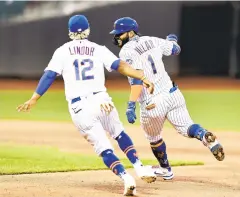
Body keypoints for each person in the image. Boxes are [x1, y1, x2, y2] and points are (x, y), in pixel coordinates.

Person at [17, 15, 157, 196]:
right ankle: (139, 167)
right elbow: (121, 66)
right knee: (119, 133)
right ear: (88, 30)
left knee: (104, 147)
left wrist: (34, 98)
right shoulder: (98, 49)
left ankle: (126, 178)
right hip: (102, 100)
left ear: (70, 32)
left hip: (80, 107)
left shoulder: (62, 51)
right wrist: (143, 77)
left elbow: (50, 75)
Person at [109, 17, 225, 180]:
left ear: (130, 32)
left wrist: (131, 104)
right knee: (187, 127)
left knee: (153, 137)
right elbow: (175, 49)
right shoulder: (152, 40)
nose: (116, 37)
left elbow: (137, 79)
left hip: (153, 102)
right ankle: (205, 136)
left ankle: (166, 170)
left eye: (119, 34)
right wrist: (171, 39)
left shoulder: (127, 51)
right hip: (173, 93)